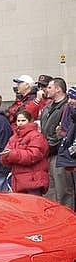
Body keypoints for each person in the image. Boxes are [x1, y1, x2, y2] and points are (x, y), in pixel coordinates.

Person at [40, 77, 74, 208]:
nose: (45, 90)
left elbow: (63, 132)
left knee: (63, 190)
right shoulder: (47, 108)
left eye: (49, 87)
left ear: (58, 89)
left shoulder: (67, 107)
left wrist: (49, 146)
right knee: (51, 190)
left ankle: (68, 219)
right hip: (47, 153)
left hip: (59, 153)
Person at [0, 110, 49, 195]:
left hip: (33, 181)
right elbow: (5, 158)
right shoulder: (14, 138)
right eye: (18, 121)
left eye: (23, 120)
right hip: (18, 181)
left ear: (29, 121)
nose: (20, 123)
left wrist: (11, 154)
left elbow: (33, 155)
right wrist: (5, 156)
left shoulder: (36, 136)